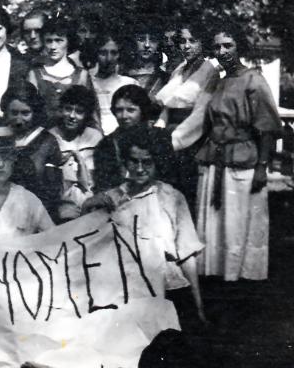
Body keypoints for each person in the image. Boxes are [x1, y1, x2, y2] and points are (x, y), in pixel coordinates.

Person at [82, 124, 206, 324]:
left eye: (147, 162)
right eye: (134, 161)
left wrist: (198, 306)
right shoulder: (112, 198)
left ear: (158, 161)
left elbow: (187, 256)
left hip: (168, 286)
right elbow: (87, 243)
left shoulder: (172, 197)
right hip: (126, 288)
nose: (140, 169)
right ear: (125, 162)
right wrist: (88, 206)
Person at [195, 21, 282, 281]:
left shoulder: (253, 80)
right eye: (217, 47)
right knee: (215, 225)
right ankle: (216, 278)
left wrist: (262, 168)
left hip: (242, 164)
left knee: (238, 224)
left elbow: (267, 128)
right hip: (215, 161)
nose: (222, 52)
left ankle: (240, 281)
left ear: (239, 47)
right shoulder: (219, 83)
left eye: (228, 45)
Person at [153, 20, 221, 207]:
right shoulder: (179, 70)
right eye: (183, 41)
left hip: (191, 140)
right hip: (169, 135)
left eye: (193, 41)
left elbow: (201, 114)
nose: (187, 46)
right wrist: (158, 132)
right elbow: (168, 106)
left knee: (184, 196)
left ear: (203, 43)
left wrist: (173, 141)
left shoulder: (210, 71)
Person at [1, 81, 63, 221]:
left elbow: (53, 192)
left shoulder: (47, 142)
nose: (18, 119)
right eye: (14, 113)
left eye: (25, 113)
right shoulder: (0, 138)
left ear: (35, 112)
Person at [47, 85, 103, 221]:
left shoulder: (95, 137)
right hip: (63, 208)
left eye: (79, 112)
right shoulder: (50, 138)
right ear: (61, 110)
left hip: (93, 205)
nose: (72, 116)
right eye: (68, 109)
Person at [27, 17, 95, 125]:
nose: (53, 47)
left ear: (68, 41)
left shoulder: (81, 75)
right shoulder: (34, 74)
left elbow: (92, 114)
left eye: (59, 41)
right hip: (43, 137)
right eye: (49, 41)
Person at [93, 84, 162, 191]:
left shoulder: (158, 138)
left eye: (131, 110)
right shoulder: (107, 145)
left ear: (143, 111)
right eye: (119, 110)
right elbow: (105, 185)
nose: (124, 116)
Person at [90, 32, 138, 135]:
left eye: (113, 53)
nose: (109, 59)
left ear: (119, 54)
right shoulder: (88, 82)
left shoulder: (129, 83)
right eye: (103, 53)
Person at [126, 22, 169, 102]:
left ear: (159, 44)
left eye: (153, 40)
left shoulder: (164, 76)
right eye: (141, 39)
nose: (147, 45)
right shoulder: (123, 73)